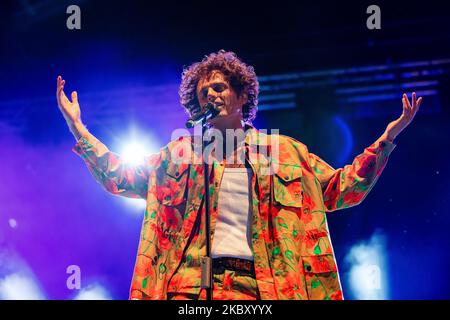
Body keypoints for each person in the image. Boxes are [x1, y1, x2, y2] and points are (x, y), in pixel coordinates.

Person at [56, 50, 423, 300]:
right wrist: (79, 130)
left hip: (265, 288)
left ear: (241, 95)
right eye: (202, 93)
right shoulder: (179, 155)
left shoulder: (284, 153)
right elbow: (121, 176)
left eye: (218, 88)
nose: (209, 96)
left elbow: (341, 190)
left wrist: (387, 139)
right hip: (192, 288)